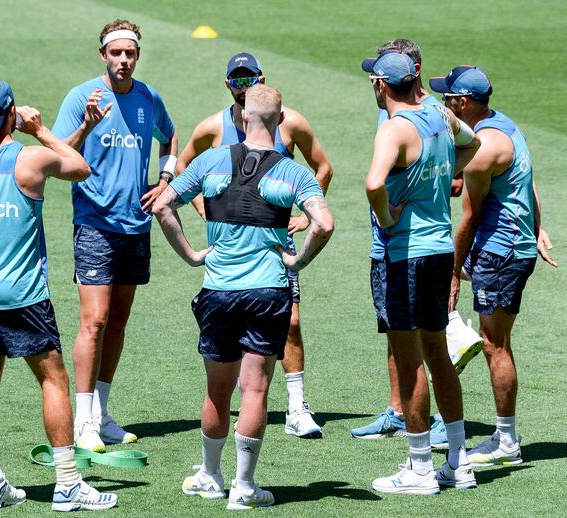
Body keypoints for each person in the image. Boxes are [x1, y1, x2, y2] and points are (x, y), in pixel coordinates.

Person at [0, 80, 117, 511]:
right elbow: (77, 167)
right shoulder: (31, 158)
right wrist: (40, 129)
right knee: (53, 379)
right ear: (11, 111)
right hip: (25, 295)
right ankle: (68, 483)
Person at [154, 84, 334, 509]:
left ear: (243, 116)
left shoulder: (210, 161)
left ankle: (210, 476)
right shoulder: (292, 171)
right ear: (281, 120)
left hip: (218, 290)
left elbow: (163, 206)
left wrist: (193, 255)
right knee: (254, 391)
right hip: (267, 291)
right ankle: (245, 487)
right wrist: (298, 261)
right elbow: (323, 224)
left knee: (218, 390)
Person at [175, 52, 333, 438]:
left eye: (250, 79)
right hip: (231, 253)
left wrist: (304, 217)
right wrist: (207, 210)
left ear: (262, 80)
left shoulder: (288, 121)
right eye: (237, 80)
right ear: (227, 84)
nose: (244, 87)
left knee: (292, 323)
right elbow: (182, 169)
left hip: (271, 248)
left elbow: (322, 167)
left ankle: (297, 407)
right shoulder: (213, 126)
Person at [52, 19, 178, 452]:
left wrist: (165, 178)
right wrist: (86, 125)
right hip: (94, 224)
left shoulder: (148, 98)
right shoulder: (81, 97)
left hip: (135, 226)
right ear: (103, 54)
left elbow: (171, 135)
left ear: (137, 55)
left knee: (118, 322)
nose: (123, 60)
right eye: (116, 53)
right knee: (94, 321)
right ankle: (82, 421)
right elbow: (58, 155)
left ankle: (102, 414)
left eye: (130, 53)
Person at [361, 51, 481, 494]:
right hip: (438, 251)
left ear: (380, 86)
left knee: (410, 360)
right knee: (437, 354)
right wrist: (444, 174)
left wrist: (387, 217)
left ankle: (419, 469)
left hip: (405, 254)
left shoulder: (394, 128)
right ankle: (458, 462)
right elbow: (474, 144)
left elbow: (374, 183)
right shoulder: (438, 112)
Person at [430, 65, 558, 467]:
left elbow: (468, 215)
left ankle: (506, 442)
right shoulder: (504, 125)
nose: (443, 103)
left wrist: (453, 272)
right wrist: (536, 228)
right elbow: (529, 180)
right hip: (508, 249)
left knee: (495, 345)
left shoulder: (484, 147)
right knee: (496, 339)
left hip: (499, 253)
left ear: (463, 102)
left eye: (448, 98)